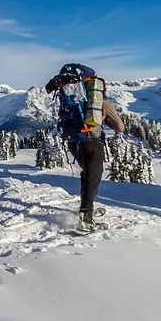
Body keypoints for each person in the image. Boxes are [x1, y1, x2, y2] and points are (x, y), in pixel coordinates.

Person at [44, 64, 124, 232]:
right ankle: (86, 217)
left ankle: (87, 209)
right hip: (91, 141)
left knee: (87, 174)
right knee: (93, 177)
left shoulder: (70, 99)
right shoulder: (100, 102)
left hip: (73, 142)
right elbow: (120, 127)